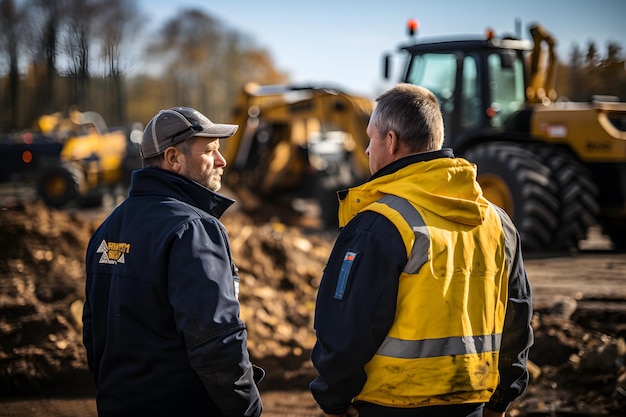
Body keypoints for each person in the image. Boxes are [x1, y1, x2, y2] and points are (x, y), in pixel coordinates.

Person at [309, 84, 533, 417]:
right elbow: (516, 319)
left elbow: (347, 328)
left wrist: (333, 401)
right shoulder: (498, 223)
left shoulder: (379, 224)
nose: (367, 150)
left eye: (371, 139)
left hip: (389, 405)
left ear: (391, 141)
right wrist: (500, 400)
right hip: (473, 404)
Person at [82, 107, 263, 417]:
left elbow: (94, 332)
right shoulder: (194, 229)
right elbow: (216, 341)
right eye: (209, 151)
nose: (222, 161)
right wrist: (248, 408)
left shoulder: (109, 227)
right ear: (173, 159)